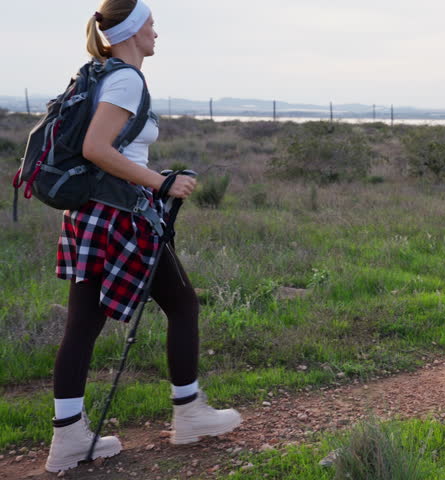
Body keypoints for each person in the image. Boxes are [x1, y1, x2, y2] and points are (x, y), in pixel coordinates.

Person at [46, 0, 241, 473]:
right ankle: (189, 414)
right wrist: (161, 182)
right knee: (183, 305)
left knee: (83, 325)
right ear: (133, 30)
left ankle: (68, 436)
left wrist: (151, 175)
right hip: (122, 218)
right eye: (151, 25)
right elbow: (96, 148)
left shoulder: (98, 72)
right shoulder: (127, 79)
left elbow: (106, 147)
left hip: (91, 216)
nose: (157, 33)